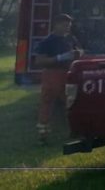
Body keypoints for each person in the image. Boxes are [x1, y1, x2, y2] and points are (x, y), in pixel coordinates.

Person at [33, 13, 82, 144]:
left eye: (69, 25)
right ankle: (43, 133)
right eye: (65, 25)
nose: (68, 28)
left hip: (67, 73)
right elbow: (39, 61)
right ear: (56, 25)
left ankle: (73, 130)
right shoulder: (47, 41)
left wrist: (78, 53)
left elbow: (79, 50)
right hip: (52, 74)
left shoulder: (71, 39)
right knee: (49, 103)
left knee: (70, 103)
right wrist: (60, 58)